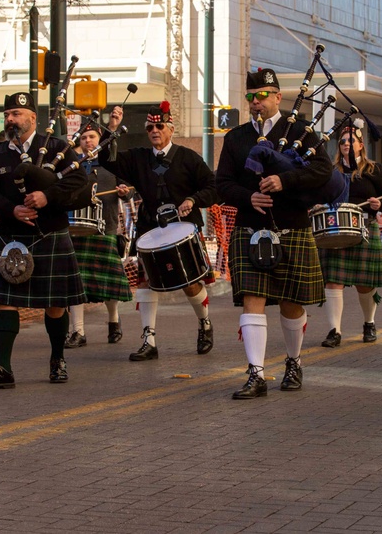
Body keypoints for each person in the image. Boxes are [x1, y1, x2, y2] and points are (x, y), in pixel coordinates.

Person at [215, 68, 334, 399]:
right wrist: (247, 197)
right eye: (251, 97)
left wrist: (286, 180)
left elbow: (323, 170)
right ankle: (256, 374)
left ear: (278, 97)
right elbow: (222, 183)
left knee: (291, 302)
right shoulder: (236, 138)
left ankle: (293, 362)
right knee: (252, 299)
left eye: (262, 95)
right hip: (250, 228)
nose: (256, 102)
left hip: (291, 225)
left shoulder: (300, 131)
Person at [0, 93, 90, 389]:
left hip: (49, 234)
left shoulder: (57, 148)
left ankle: (57, 359)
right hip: (10, 235)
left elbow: (79, 184)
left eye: (17, 113)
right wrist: (12, 209)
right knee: (5, 301)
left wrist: (47, 196)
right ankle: (3, 368)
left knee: (55, 304)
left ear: (33, 118)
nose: (11, 119)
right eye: (7, 114)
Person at [102, 101, 219, 361]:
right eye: (150, 127)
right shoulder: (137, 158)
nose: (154, 130)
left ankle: (204, 323)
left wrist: (193, 200)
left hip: (184, 228)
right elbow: (106, 159)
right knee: (145, 284)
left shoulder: (188, 158)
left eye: (159, 126)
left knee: (190, 284)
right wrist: (112, 128)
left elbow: (213, 187)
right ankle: (149, 340)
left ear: (170, 129)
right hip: (149, 230)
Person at [319, 124, 382, 347]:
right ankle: (335, 331)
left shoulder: (373, 170)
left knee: (364, 283)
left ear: (361, 145)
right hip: (334, 228)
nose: (345, 144)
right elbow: (321, 194)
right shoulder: (331, 171)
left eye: (350, 141)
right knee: (333, 282)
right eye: (342, 141)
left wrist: (380, 203)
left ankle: (369, 322)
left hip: (364, 226)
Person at [64, 123, 133, 347]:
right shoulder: (73, 166)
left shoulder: (111, 165)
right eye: (83, 137)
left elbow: (130, 189)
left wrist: (125, 192)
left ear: (99, 138)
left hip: (107, 228)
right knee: (75, 284)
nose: (87, 141)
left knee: (109, 284)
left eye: (91, 136)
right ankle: (78, 332)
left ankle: (113, 321)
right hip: (76, 230)